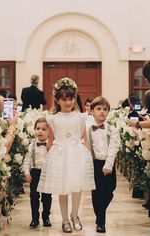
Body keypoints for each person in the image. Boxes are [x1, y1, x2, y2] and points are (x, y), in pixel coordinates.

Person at [37, 77, 95, 233]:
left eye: (70, 99)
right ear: (57, 100)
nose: (68, 102)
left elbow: (85, 138)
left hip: (77, 154)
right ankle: (64, 219)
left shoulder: (81, 116)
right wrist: (49, 161)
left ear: (75, 98)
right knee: (62, 189)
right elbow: (51, 141)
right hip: (60, 155)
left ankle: (75, 215)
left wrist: (89, 156)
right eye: (64, 99)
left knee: (77, 187)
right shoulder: (53, 118)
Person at [88, 96, 120, 233]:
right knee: (96, 193)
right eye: (98, 109)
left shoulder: (113, 129)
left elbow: (114, 147)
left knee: (110, 190)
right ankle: (101, 222)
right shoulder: (87, 129)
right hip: (94, 163)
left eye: (105, 109)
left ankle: (100, 213)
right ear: (92, 111)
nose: (102, 112)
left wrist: (108, 165)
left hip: (108, 163)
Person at [22, 117, 52, 229]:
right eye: (38, 128)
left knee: (47, 197)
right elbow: (26, 161)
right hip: (35, 173)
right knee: (34, 197)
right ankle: (35, 218)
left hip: (47, 173)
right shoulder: (32, 146)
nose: (40, 131)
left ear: (49, 132)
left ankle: (46, 218)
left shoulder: (51, 146)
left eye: (44, 129)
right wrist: (26, 173)